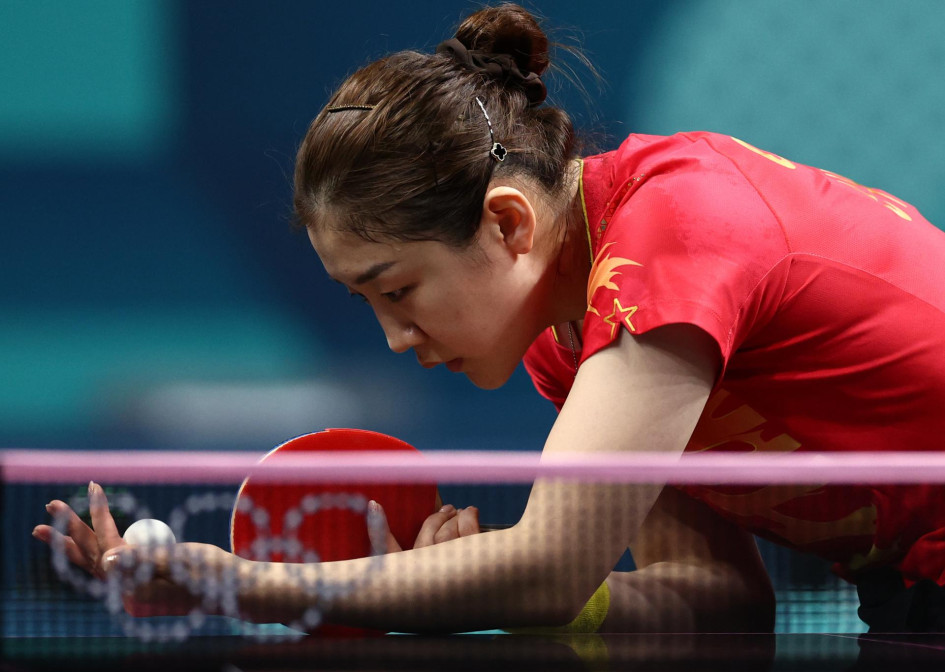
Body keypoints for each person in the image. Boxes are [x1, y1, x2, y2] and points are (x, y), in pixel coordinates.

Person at [34, 3, 945, 634]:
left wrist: (244, 585)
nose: (395, 337)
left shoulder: (676, 235)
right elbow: (712, 600)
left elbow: (548, 564)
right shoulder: (570, 341)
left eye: (398, 290)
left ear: (507, 221)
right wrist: (492, 591)